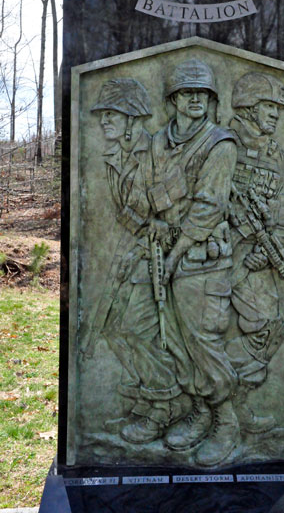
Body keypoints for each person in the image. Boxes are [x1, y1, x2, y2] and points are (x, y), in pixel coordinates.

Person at [136, 58, 239, 467]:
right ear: (174, 98)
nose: (195, 99)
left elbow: (208, 207)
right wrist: (158, 227)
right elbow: (151, 192)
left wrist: (176, 255)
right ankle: (200, 410)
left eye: (202, 93)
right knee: (174, 341)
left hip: (202, 261)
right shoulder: (159, 141)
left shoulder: (220, 144)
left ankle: (226, 421)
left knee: (203, 343)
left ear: (211, 99)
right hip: (165, 256)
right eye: (187, 92)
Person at [83, 78, 190, 444]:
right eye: (101, 116)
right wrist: (140, 221)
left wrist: (153, 216)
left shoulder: (159, 147)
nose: (103, 122)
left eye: (111, 114)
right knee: (112, 328)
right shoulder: (113, 156)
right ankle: (148, 396)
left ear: (131, 118)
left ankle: (166, 405)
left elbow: (181, 189)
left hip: (160, 257)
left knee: (139, 330)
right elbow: (124, 214)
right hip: (132, 253)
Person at [225, 71, 284, 433]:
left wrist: (266, 252)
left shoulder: (282, 162)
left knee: (271, 329)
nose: (275, 114)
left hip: (253, 262)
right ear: (248, 106)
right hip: (206, 258)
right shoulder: (218, 145)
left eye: (278, 108)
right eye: (268, 106)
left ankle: (230, 407)